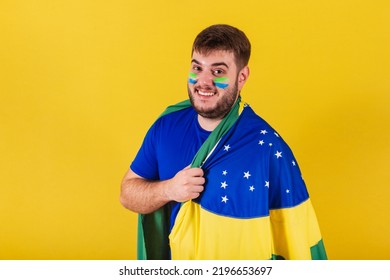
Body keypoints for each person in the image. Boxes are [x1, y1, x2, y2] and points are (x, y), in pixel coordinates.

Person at [120, 24, 327, 260]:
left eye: (218, 71)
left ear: (242, 77)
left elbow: (293, 238)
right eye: (197, 68)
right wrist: (170, 189)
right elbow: (128, 194)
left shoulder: (266, 147)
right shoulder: (167, 126)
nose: (203, 81)